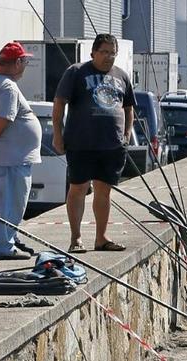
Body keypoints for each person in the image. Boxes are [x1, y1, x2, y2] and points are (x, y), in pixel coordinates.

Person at [53, 33, 136, 253]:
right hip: (81, 142)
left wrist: (126, 135)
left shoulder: (122, 76)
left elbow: (128, 108)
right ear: (93, 53)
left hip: (111, 144)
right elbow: (60, 103)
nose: (109, 57)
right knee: (78, 188)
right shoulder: (77, 72)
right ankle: (76, 238)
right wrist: (57, 135)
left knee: (104, 191)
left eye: (112, 53)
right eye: (104, 52)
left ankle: (101, 238)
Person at [0, 42, 41, 260]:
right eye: (24, 61)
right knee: (12, 203)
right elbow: (2, 119)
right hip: (11, 158)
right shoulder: (8, 87)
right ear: (16, 63)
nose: (25, 65)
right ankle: (4, 246)